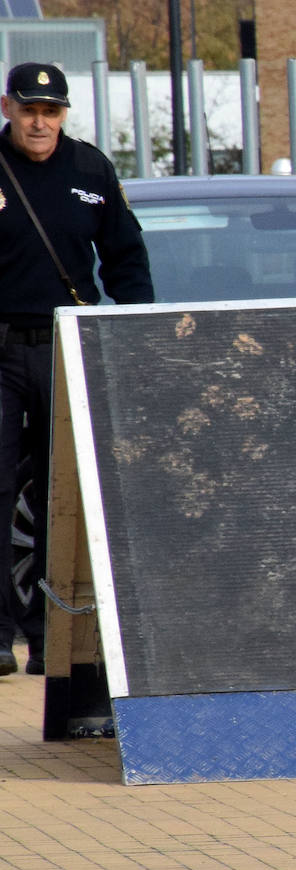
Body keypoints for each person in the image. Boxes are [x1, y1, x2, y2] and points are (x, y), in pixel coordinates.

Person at [0, 63, 154, 677]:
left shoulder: (90, 169)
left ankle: (49, 640)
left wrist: (137, 332)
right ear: (7, 107)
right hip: (1, 349)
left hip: (68, 345)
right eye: (29, 109)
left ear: (64, 114)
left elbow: (126, 259)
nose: (41, 122)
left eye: (52, 111)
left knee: (61, 497)